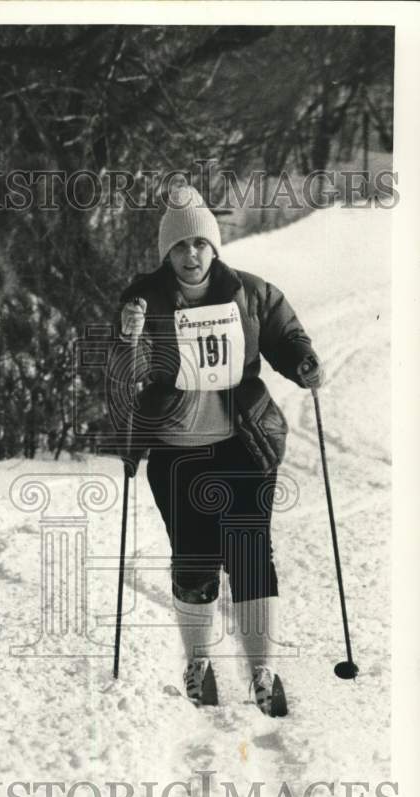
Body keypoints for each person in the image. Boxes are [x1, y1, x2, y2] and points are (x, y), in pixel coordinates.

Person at [115, 185, 323, 716]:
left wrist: (302, 362)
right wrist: (128, 339)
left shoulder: (249, 293)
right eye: (181, 246)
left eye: (200, 245)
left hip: (242, 444)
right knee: (194, 558)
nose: (191, 255)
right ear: (167, 253)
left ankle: (262, 670)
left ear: (215, 247)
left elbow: (285, 334)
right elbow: (119, 370)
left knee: (252, 553)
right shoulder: (142, 300)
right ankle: (198, 662)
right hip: (176, 452)